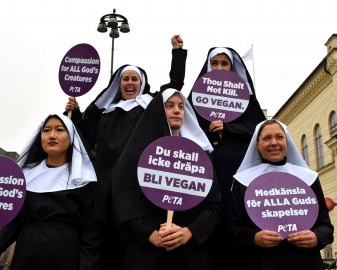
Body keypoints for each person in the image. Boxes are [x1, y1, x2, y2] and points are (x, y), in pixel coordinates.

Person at [65, 35, 187, 270]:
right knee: (101, 238)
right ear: (118, 84)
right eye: (125, 79)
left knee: (130, 239)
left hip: (134, 184)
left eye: (134, 79)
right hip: (104, 184)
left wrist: (177, 52)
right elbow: (84, 138)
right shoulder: (105, 111)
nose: (130, 83)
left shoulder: (149, 106)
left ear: (141, 83)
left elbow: (174, 86)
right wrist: (76, 112)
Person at [112, 89, 222, 270]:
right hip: (146, 253)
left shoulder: (201, 157)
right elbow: (123, 200)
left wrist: (189, 232)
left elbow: (214, 205)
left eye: (181, 106)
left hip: (189, 252)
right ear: (157, 111)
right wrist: (149, 234)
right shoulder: (137, 154)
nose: (177, 110)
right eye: (169, 106)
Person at [0, 114, 99, 270]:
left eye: (59, 130)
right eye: (46, 130)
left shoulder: (84, 179)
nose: (52, 135)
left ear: (71, 137)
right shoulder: (25, 177)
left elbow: (92, 233)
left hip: (67, 256)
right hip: (27, 253)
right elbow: (15, 220)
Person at [187, 47, 267, 269]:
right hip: (205, 175)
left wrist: (230, 128)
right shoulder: (195, 99)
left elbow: (259, 132)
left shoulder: (248, 101)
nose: (220, 68)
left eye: (225, 64)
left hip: (238, 174)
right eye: (215, 63)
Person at [229, 119, 334, 270]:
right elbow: (232, 227)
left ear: (287, 142)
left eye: (279, 137)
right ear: (257, 145)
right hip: (260, 262)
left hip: (304, 262)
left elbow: (325, 225)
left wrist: (316, 237)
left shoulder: (308, 178)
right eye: (266, 138)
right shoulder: (242, 181)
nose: (273, 143)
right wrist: (253, 238)